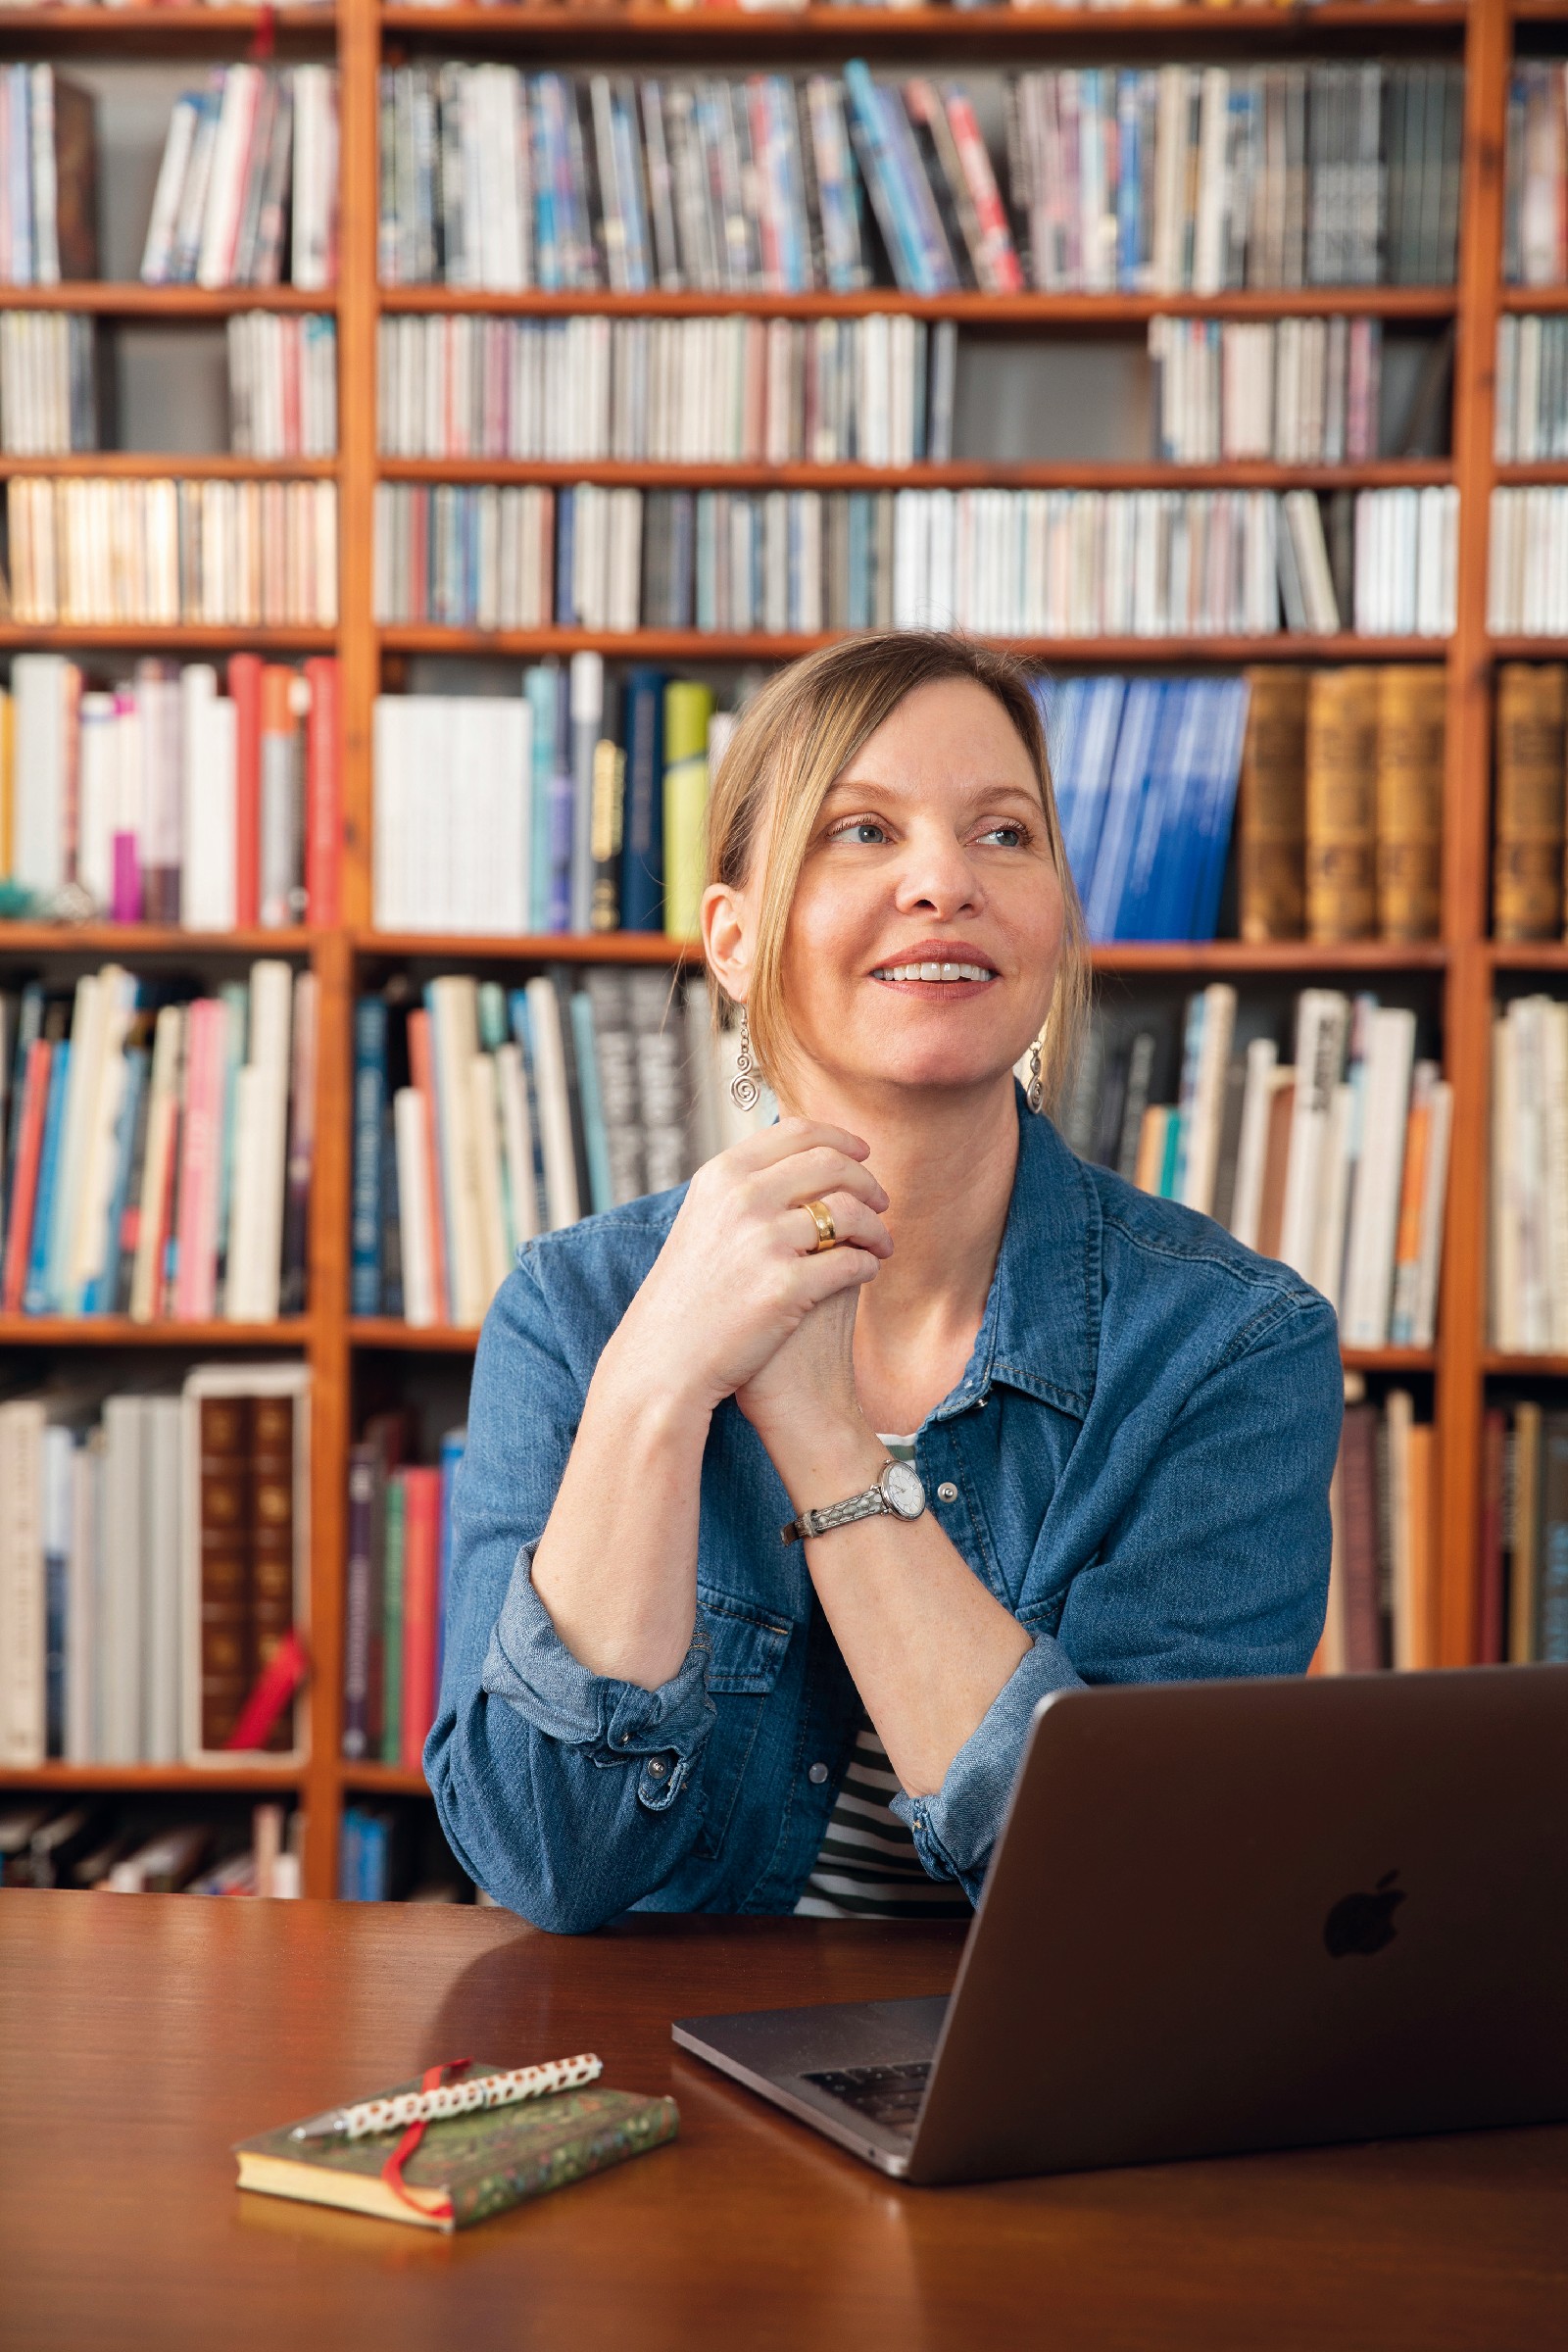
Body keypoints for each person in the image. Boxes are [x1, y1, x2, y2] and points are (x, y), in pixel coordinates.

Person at [428, 631, 1342, 1933]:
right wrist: (653, 1385)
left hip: (1038, 2048)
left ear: (1055, 920)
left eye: (1004, 835)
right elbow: (542, 1857)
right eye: (862, 830)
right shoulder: (572, 1311)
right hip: (654, 2049)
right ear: (734, 938)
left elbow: (1138, 1889)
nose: (944, 882)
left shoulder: (1234, 1347)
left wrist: (821, 1433)